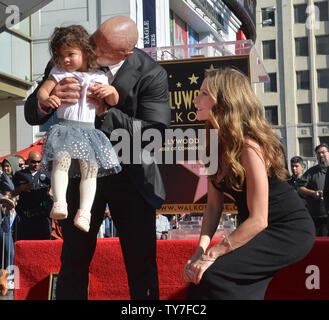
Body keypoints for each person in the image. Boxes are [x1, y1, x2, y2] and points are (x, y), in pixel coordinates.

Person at [24, 16, 170, 300]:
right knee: (74, 261)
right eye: (92, 40)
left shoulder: (151, 74)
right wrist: (46, 101)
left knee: (141, 264)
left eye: (99, 48)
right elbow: (32, 111)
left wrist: (105, 110)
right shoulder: (69, 59)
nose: (90, 50)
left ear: (124, 55)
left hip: (132, 177)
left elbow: (153, 135)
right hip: (81, 173)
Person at [183, 67, 315, 300]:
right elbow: (213, 207)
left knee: (214, 276)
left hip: (287, 230)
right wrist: (199, 252)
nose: (195, 100)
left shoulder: (249, 146)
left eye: (204, 94)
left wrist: (213, 254)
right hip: (256, 228)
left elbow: (259, 219)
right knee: (199, 281)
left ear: (224, 101)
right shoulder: (214, 146)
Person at [37, 25, 121, 232]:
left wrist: (110, 91)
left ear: (85, 51)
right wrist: (48, 98)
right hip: (66, 128)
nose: (65, 59)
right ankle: (60, 202)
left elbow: (114, 100)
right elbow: (41, 92)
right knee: (61, 163)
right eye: (61, 55)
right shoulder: (58, 73)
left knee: (90, 170)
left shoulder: (100, 76)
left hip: (89, 131)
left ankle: (85, 212)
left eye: (70, 54)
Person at [13, 151, 53, 241]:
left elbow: (54, 191)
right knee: (24, 245)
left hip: (42, 216)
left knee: (44, 244)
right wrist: (21, 188)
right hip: (25, 217)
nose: (36, 164)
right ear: (28, 161)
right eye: (33, 161)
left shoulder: (47, 175)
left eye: (39, 162)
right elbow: (12, 193)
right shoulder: (19, 175)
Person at [299, 143, 329, 236]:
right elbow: (300, 188)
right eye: (318, 153)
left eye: (323, 152)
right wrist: (313, 193)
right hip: (317, 217)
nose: (321, 155)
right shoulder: (311, 172)